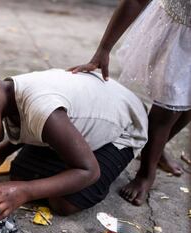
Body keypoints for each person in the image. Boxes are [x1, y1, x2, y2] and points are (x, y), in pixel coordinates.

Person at [0, 54, 148, 218]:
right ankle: (66, 158)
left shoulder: (42, 109)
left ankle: (91, 158)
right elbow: (26, 125)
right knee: (19, 172)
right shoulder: (8, 95)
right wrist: (4, 149)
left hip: (123, 129)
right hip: (78, 121)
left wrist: (24, 192)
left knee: (64, 202)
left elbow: (89, 171)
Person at [69, 0, 191, 206]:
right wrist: (104, 49)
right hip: (178, 34)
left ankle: (156, 150)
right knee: (167, 110)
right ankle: (146, 173)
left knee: (186, 102)